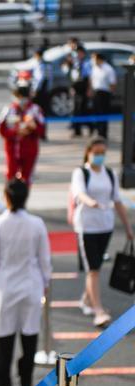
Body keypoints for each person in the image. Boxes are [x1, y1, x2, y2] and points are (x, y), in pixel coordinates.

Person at [0, 178, 52, 386]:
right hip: (31, 283)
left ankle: (4, 382)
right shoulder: (37, 224)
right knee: (30, 336)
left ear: (6, 197)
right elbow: (44, 258)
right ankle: (27, 381)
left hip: (5, 285)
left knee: (5, 337)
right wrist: (46, 281)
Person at [71, 138, 133, 327]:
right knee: (93, 269)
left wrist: (128, 227)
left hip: (105, 226)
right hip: (87, 226)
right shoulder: (81, 173)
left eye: (102, 153)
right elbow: (79, 194)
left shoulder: (109, 173)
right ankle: (98, 310)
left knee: (95, 265)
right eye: (96, 152)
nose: (99, 156)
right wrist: (91, 202)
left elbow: (117, 201)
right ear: (88, 152)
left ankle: (87, 299)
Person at [0, 83, 45, 184]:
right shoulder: (8, 110)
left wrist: (33, 127)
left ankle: (23, 197)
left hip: (29, 150)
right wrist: (16, 132)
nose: (21, 99)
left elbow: (41, 130)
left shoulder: (35, 110)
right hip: (12, 149)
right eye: (18, 96)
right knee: (11, 177)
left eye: (23, 97)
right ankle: (10, 197)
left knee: (27, 178)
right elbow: (2, 130)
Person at [66, 46, 93, 137]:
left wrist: (89, 89)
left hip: (83, 87)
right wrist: (72, 87)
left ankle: (91, 127)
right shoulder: (75, 63)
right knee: (75, 110)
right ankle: (77, 130)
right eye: (77, 53)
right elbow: (72, 77)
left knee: (84, 110)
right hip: (76, 87)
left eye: (80, 53)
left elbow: (89, 77)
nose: (78, 55)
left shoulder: (87, 63)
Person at [89, 53, 116, 139]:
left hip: (104, 93)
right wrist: (91, 90)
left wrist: (111, 93)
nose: (93, 61)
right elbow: (92, 79)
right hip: (96, 92)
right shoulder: (94, 68)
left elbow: (112, 83)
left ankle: (103, 133)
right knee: (96, 112)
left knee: (103, 113)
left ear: (100, 59)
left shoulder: (108, 69)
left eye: (94, 59)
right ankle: (98, 132)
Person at [30, 48, 51, 139]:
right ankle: (43, 133)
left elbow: (39, 79)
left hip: (39, 93)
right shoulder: (47, 65)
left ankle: (37, 132)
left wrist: (34, 90)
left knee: (36, 112)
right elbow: (50, 79)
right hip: (45, 91)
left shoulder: (40, 65)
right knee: (43, 113)